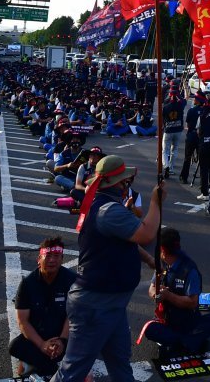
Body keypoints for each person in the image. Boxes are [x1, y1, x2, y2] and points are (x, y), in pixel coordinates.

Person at [52, 155, 163, 382]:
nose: (128, 186)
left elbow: (127, 241)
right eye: (125, 181)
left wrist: (149, 260)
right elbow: (146, 233)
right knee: (73, 371)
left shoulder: (103, 203)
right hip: (96, 303)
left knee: (119, 360)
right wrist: (156, 202)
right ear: (115, 183)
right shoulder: (109, 210)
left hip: (111, 303)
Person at [144, 226, 210, 357]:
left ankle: (177, 343)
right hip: (167, 321)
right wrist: (156, 294)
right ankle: (187, 342)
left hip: (188, 322)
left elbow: (192, 302)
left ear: (162, 249)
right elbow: (151, 288)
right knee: (149, 329)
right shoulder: (161, 264)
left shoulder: (189, 270)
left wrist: (168, 295)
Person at [10, 236, 75, 377]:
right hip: (39, 335)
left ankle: (42, 364)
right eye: (48, 256)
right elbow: (23, 321)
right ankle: (53, 369)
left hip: (64, 334)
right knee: (15, 346)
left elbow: (74, 314)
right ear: (39, 259)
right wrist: (41, 345)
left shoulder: (71, 280)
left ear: (62, 259)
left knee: (86, 341)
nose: (52, 260)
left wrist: (62, 340)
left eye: (57, 256)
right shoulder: (27, 284)